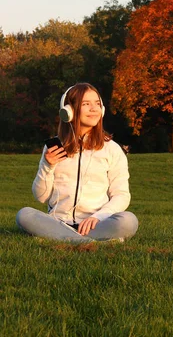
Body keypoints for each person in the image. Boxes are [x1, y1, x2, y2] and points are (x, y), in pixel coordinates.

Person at [16, 83, 138, 244]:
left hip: (97, 223)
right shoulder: (53, 147)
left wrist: (98, 216)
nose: (94, 109)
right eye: (86, 104)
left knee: (129, 220)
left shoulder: (112, 149)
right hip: (58, 221)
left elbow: (121, 195)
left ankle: (66, 239)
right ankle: (83, 241)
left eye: (97, 104)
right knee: (24, 214)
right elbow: (40, 197)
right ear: (69, 110)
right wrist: (47, 166)